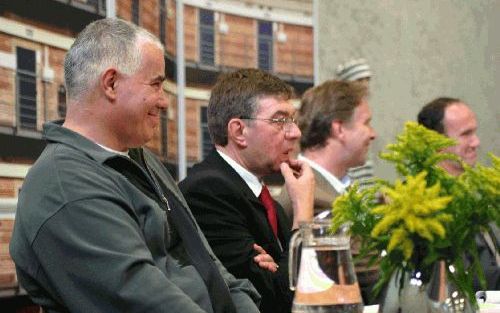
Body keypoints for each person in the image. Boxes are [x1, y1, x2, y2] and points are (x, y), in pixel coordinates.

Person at [9, 18, 260, 313]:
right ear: (111, 83)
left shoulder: (139, 158)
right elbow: (143, 301)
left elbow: (208, 263)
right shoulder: (64, 185)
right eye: (156, 84)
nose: (164, 101)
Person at [179, 68, 315, 313]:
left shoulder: (263, 199)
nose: (295, 133)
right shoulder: (207, 192)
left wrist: (278, 270)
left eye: (293, 120)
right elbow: (276, 301)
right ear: (239, 131)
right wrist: (303, 213)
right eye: (280, 120)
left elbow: (307, 286)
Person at [275, 80, 379, 304]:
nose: (373, 134)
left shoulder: (335, 189)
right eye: (366, 123)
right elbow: (364, 269)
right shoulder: (309, 194)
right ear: (339, 129)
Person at [418, 97, 499, 290]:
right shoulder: (425, 204)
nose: (476, 142)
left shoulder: (472, 192)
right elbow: (466, 277)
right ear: (436, 142)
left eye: (475, 132)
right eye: (466, 134)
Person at [335, 58, 375, 189]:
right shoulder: (338, 109)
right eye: (359, 80)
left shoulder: (364, 107)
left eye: (367, 79)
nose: (365, 84)